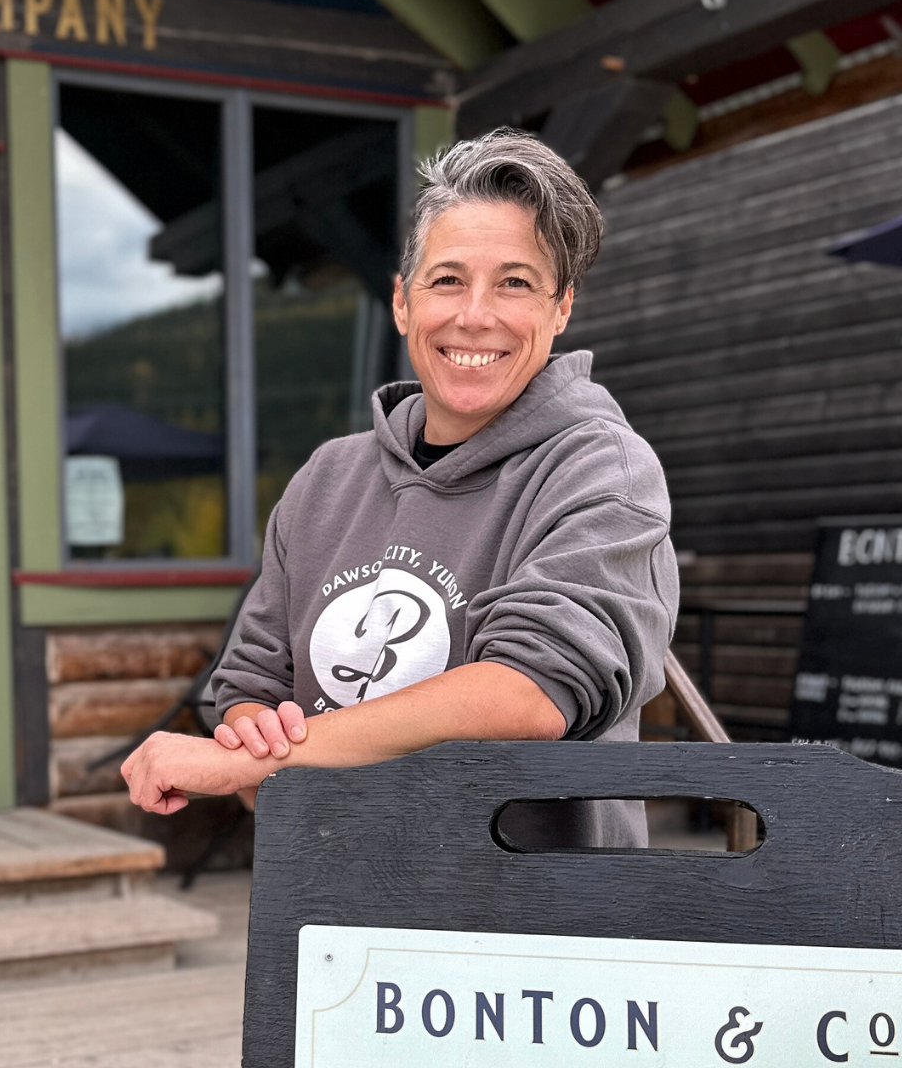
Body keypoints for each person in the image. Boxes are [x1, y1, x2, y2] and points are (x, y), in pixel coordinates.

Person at [122, 128, 679, 847]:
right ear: (403, 303)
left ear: (561, 308)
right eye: (447, 279)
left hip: (529, 929)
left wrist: (272, 760)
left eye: (515, 282)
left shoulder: (601, 470)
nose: (474, 314)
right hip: (332, 911)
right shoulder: (328, 477)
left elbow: (529, 693)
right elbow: (252, 680)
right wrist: (250, 732)